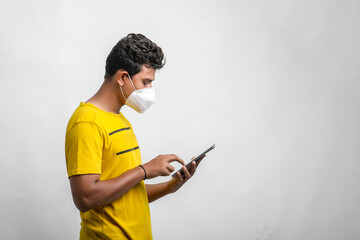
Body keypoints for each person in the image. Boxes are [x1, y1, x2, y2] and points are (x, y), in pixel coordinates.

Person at [65, 33, 203, 239]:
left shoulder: (119, 119)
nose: (150, 90)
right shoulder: (87, 122)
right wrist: (145, 170)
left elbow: (125, 193)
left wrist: (169, 187)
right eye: (145, 82)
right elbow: (85, 198)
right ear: (122, 78)